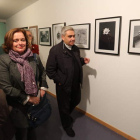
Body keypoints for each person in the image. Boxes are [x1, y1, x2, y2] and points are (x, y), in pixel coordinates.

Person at [0, 28, 48, 140]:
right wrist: (28, 98)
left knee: (33, 127)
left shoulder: (34, 57)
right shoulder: (3, 60)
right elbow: (6, 87)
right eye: (15, 40)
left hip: (35, 102)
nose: (20, 43)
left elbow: (43, 72)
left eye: (22, 40)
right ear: (9, 42)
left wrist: (43, 87)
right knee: (21, 132)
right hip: (17, 104)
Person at [46, 26, 90, 137]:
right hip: (63, 85)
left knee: (76, 100)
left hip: (75, 82)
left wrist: (82, 61)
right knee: (64, 106)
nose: (73, 38)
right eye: (70, 36)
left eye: (74, 36)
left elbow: (73, 62)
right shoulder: (55, 50)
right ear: (63, 37)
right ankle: (67, 126)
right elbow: (50, 70)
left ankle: (65, 115)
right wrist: (60, 81)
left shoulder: (75, 48)